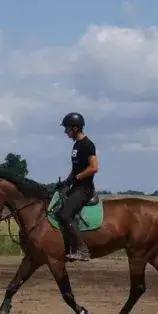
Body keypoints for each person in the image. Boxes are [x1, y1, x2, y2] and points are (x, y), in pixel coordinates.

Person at [56, 112, 98, 262]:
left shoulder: (87, 145)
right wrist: (66, 182)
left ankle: (82, 250)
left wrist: (78, 177)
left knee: (65, 214)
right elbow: (75, 169)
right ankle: (68, 247)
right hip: (75, 186)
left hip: (84, 189)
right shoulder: (76, 145)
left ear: (75, 128)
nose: (65, 131)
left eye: (66, 128)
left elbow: (94, 168)